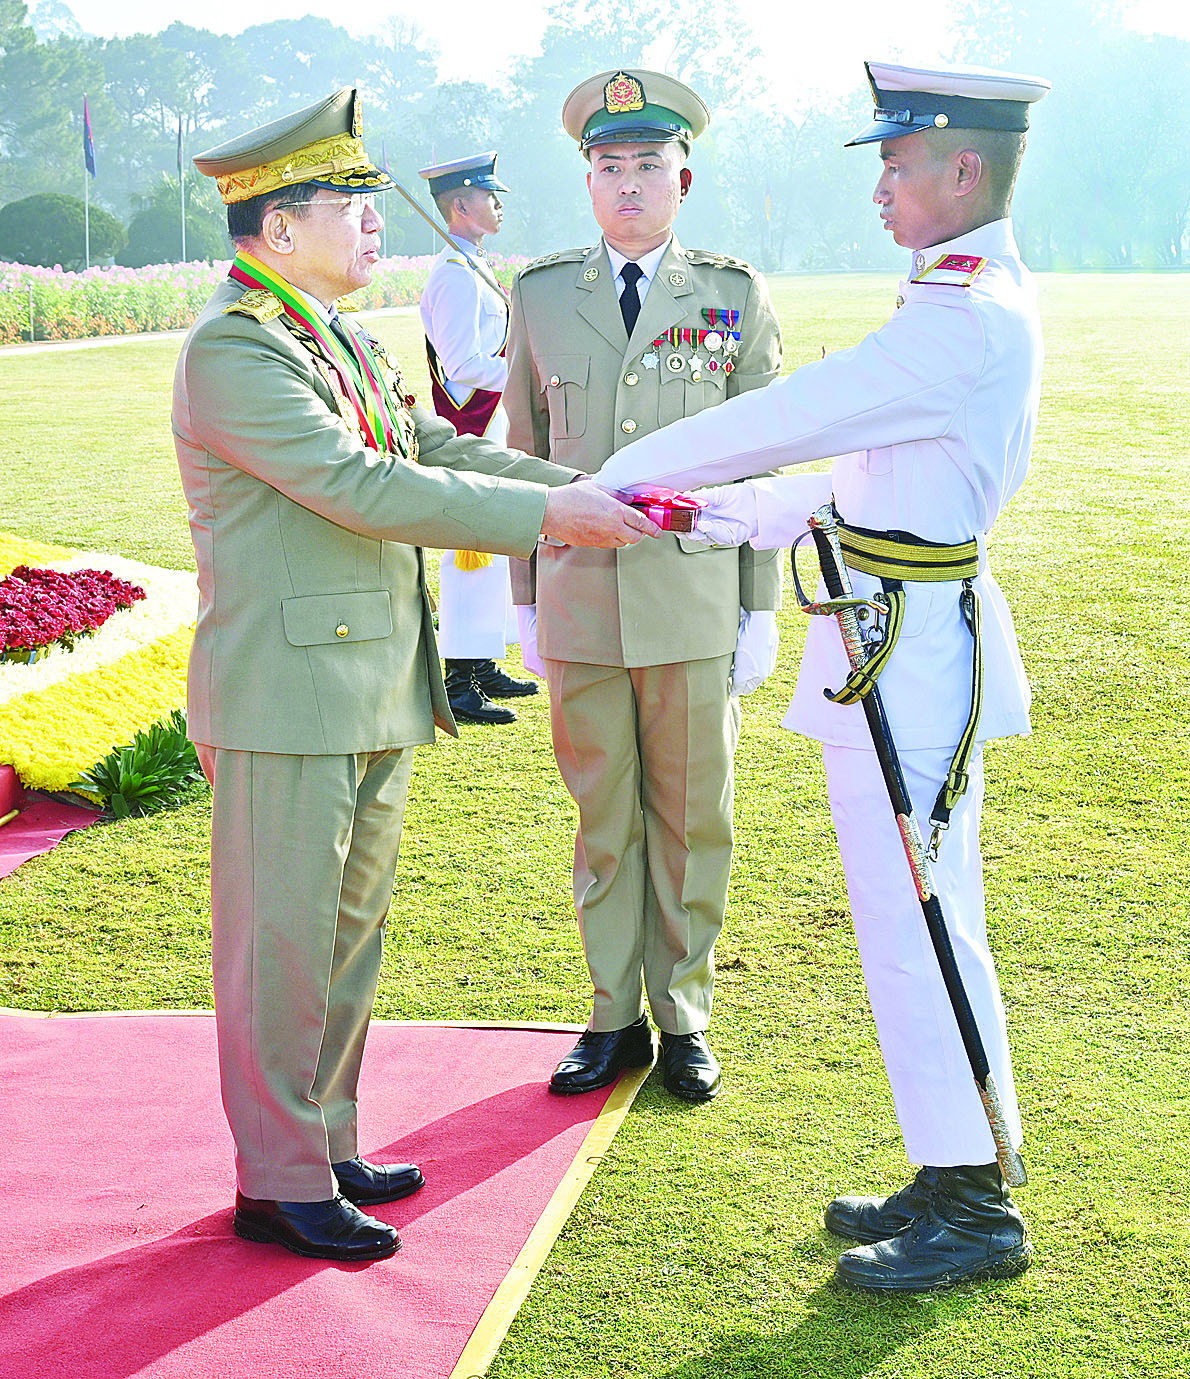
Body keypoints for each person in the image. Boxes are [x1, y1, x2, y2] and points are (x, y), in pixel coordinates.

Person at [174, 86, 660, 1264]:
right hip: (285, 696)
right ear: (277, 227)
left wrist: (583, 480)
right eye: (349, 203)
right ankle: (278, 1178)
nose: (374, 219)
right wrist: (551, 515)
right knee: (281, 947)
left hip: (368, 681)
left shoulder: (333, 333)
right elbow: (361, 486)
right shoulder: (236, 349)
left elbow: (429, 445)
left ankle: (326, 1141)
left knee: (346, 935)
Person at [596, 59, 1051, 1291]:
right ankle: (954, 1164)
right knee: (911, 922)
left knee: (923, 923)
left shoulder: (964, 314)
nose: (881, 191)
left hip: (914, 656)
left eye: (897, 166)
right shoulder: (956, 298)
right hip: (892, 635)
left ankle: (977, 1207)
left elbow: (795, 415)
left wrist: (623, 470)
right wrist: (711, 513)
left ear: (964, 169)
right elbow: (858, 483)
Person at [503, 69, 784, 1104]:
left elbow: (761, 461)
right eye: (609, 165)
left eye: (647, 165)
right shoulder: (540, 295)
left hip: (693, 601)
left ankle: (686, 1015)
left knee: (693, 818)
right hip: (580, 599)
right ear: (588, 181)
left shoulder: (731, 295)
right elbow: (521, 451)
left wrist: (758, 605)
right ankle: (612, 1014)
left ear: (683, 178)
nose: (628, 183)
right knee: (603, 819)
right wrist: (523, 599)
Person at [418, 151, 536, 725]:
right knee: (470, 555)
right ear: (461, 205)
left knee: (492, 550)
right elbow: (462, 364)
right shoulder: (454, 276)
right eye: (490, 197)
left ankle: (482, 663)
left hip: (493, 422)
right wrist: (526, 369)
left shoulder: (473, 267)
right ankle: (458, 682)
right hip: (472, 425)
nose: (499, 205)